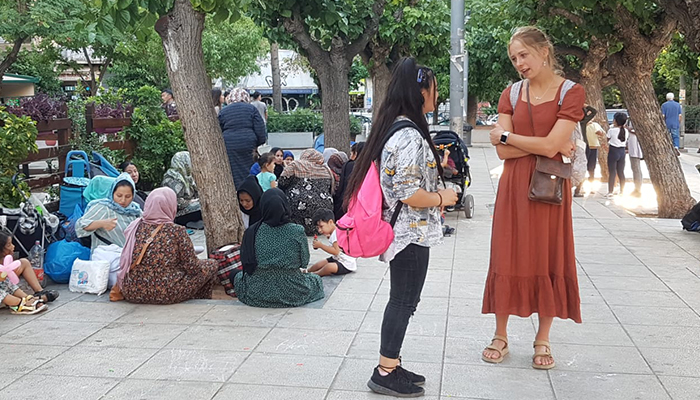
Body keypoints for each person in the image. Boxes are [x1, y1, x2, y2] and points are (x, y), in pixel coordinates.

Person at [343, 57, 458, 397]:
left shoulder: (395, 125)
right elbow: (409, 193)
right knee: (403, 302)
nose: (437, 94)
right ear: (421, 90)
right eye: (434, 88)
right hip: (409, 232)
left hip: (405, 232)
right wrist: (443, 197)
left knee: (404, 300)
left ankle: (391, 362)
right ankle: (385, 371)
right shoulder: (408, 134)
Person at [482, 26, 584, 371]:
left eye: (524, 54)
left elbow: (535, 144)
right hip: (513, 188)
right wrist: (543, 144)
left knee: (547, 256)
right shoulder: (510, 94)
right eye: (514, 58)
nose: (519, 63)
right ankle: (500, 334)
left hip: (549, 188)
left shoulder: (571, 93)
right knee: (507, 254)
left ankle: (543, 338)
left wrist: (511, 136)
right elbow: (501, 153)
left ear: (544, 51)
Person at [117, 188, 218, 304]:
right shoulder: (176, 230)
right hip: (166, 293)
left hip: (132, 291)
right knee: (211, 265)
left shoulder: (135, 227)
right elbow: (193, 268)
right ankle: (200, 300)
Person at [235, 188, 324, 308]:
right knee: (315, 279)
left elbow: (247, 263)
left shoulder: (252, 231)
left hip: (258, 291)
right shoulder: (297, 230)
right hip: (293, 290)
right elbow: (304, 262)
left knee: (237, 277)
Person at [76, 173, 142, 253]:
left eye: (128, 196)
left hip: (128, 259)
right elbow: (79, 227)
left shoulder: (135, 210)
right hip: (106, 259)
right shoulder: (103, 207)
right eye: (119, 195)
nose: (123, 200)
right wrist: (101, 223)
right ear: (112, 193)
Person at [219, 88, 267, 188]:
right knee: (249, 168)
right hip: (248, 142)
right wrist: (258, 143)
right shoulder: (251, 109)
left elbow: (219, 129)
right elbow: (260, 129)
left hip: (229, 144)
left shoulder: (224, 111)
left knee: (233, 170)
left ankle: (237, 191)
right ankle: (249, 191)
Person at [278, 149, 334, 235]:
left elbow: (282, 182)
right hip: (324, 206)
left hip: (299, 205)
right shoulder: (326, 169)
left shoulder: (295, 165)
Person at [0, 231, 59, 305]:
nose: (13, 246)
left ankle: (38, 293)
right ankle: (24, 303)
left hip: (6, 279)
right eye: (9, 245)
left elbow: (9, 284)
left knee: (24, 262)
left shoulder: (6, 259)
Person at [306, 209, 356, 276]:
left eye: (321, 226)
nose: (319, 230)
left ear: (330, 222)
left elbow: (336, 251)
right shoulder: (334, 232)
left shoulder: (336, 234)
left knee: (329, 267)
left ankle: (315, 274)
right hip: (337, 258)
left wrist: (321, 245)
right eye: (318, 228)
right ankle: (307, 270)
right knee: (322, 263)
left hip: (345, 263)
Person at [161, 152, 202, 227]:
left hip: (189, 207)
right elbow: (175, 202)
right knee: (201, 206)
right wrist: (191, 202)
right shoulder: (172, 179)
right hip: (177, 214)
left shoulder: (187, 176)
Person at [334, 142, 364, 220]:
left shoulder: (349, 165)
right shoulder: (373, 166)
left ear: (356, 153)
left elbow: (342, 188)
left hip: (347, 204)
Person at [606, 112, 629, 198]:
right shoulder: (626, 131)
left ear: (615, 120)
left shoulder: (611, 130)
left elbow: (607, 139)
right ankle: (622, 190)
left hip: (613, 150)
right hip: (622, 151)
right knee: (621, 172)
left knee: (612, 172)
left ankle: (610, 191)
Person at [627, 121, 643, 197]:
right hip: (632, 146)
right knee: (635, 168)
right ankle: (637, 187)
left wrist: (629, 129)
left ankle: (638, 189)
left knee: (636, 168)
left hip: (635, 147)